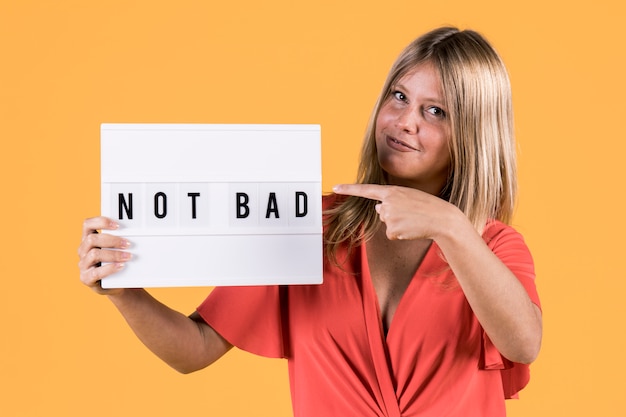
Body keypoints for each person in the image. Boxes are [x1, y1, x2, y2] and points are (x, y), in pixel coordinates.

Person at [78, 26, 542, 416]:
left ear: (473, 134)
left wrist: (450, 227)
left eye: (435, 111)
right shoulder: (310, 224)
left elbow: (523, 344)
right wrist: (125, 292)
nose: (405, 121)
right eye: (398, 96)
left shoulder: (493, 245)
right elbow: (196, 347)